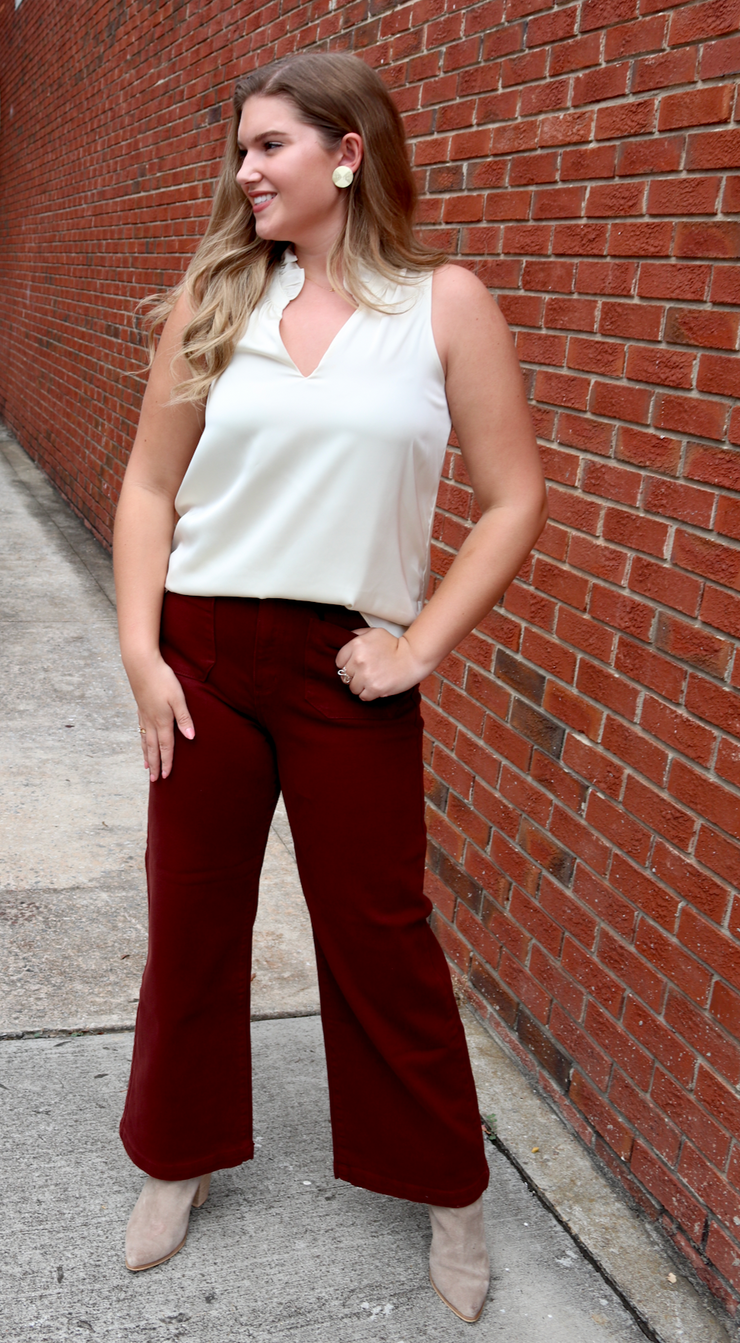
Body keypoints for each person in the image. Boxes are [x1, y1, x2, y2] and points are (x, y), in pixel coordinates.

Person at [112, 50, 547, 1324]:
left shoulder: (443, 304)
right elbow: (148, 487)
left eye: (268, 147)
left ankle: (447, 1187)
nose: (244, 171)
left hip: (346, 668)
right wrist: (142, 652)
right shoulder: (214, 299)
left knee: (378, 931)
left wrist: (418, 648)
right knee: (191, 917)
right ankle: (174, 1157)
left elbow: (513, 495)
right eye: (240, 150)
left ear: (346, 155)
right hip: (202, 652)